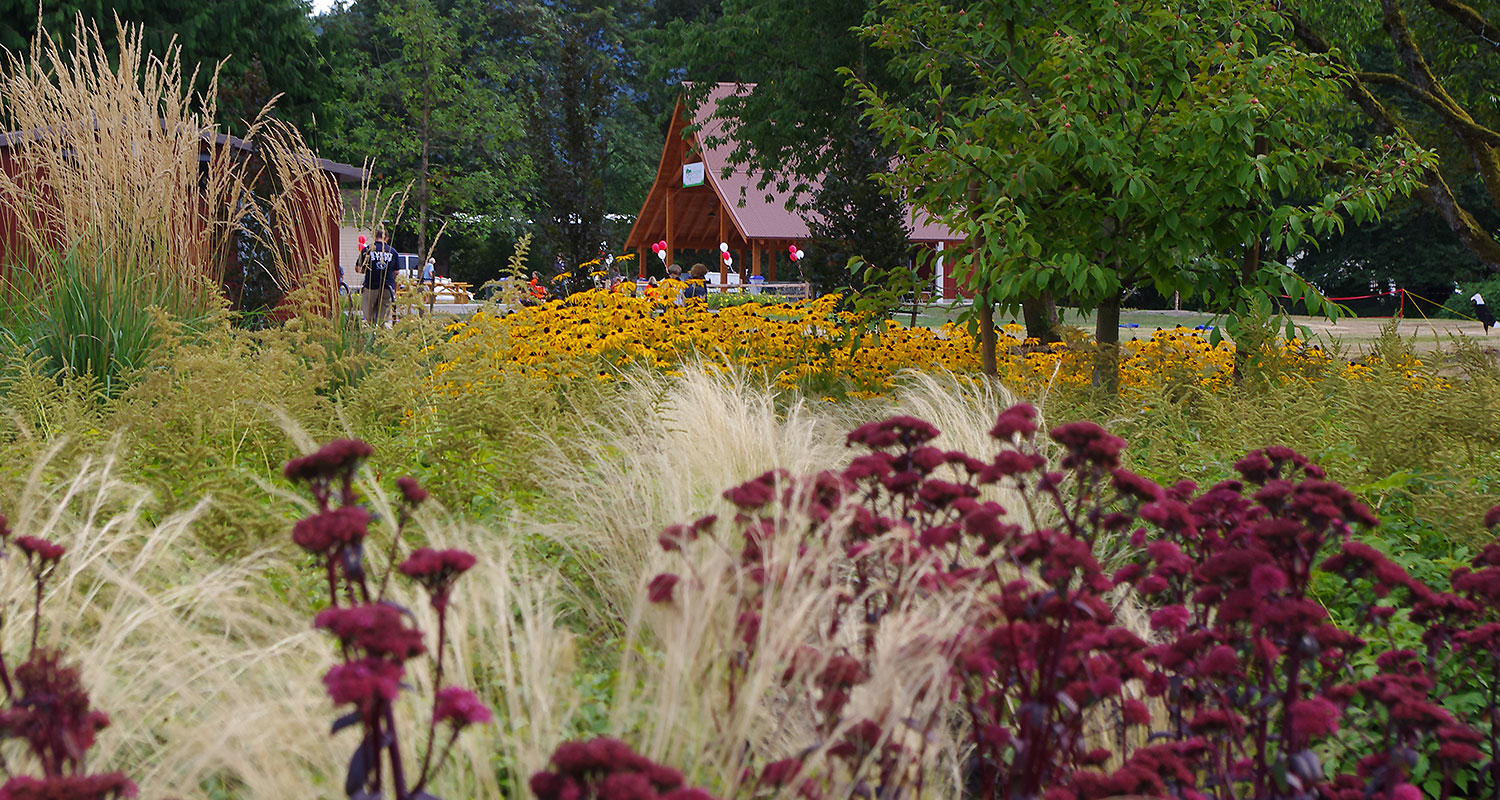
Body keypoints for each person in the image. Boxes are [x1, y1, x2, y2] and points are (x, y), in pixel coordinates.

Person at [361, 228, 399, 326]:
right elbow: (396, 271)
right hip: (387, 286)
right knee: (383, 316)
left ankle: (371, 333)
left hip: (371, 285)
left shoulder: (367, 250)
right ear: (387, 238)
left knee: (368, 315)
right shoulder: (393, 252)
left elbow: (358, 268)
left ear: (375, 237)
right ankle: (381, 335)